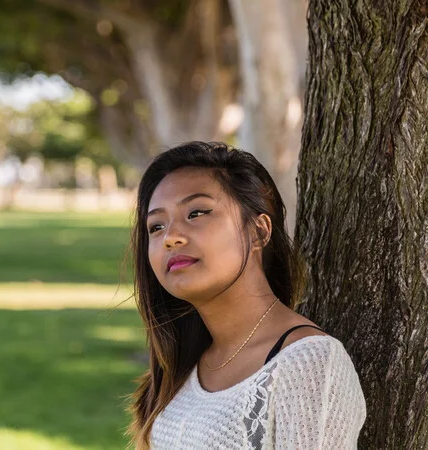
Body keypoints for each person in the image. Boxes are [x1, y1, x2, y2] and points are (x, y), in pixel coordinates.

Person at [125, 142, 366, 449]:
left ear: (258, 231)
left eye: (196, 213)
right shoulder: (183, 366)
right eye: (156, 226)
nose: (171, 237)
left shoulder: (309, 364)